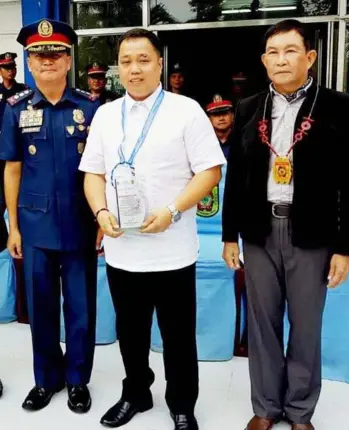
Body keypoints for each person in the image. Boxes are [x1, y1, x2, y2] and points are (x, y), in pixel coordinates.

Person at [79, 28, 226, 429]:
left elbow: (210, 171)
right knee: (130, 332)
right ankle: (137, 394)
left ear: (160, 64)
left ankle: (181, 404)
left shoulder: (186, 110)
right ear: (118, 68)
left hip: (172, 249)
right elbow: (92, 172)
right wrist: (100, 211)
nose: (134, 69)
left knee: (178, 335)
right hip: (123, 250)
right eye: (126, 61)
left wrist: (173, 211)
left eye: (143, 60)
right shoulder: (106, 114)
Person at [222, 19, 349, 430]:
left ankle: (299, 411)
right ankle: (265, 407)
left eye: (291, 50)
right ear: (264, 61)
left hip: (311, 235)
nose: (282, 59)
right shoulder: (247, 108)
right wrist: (230, 236)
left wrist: (345, 247)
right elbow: (237, 178)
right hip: (260, 233)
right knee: (261, 323)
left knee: (305, 325)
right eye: (273, 53)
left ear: (310, 57)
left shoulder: (339, 108)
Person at [0, 19, 100, 413]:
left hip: (79, 224)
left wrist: (101, 218)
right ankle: (47, 379)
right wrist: (13, 226)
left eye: (55, 53)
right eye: (39, 55)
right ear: (28, 61)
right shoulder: (15, 108)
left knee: (80, 307)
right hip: (35, 226)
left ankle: (77, 380)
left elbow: (99, 169)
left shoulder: (90, 107)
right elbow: (12, 169)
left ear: (68, 59)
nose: (47, 61)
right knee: (41, 310)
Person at [205, 94, 234, 158]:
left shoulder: (242, 139)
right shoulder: (204, 141)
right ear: (209, 119)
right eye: (216, 115)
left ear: (232, 116)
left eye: (225, 114)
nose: (221, 118)